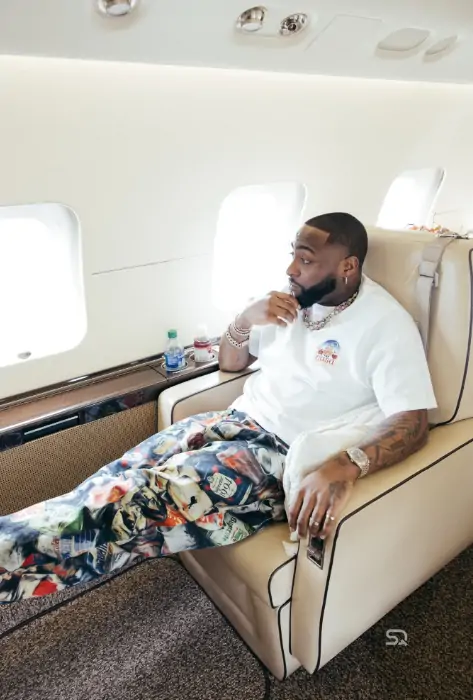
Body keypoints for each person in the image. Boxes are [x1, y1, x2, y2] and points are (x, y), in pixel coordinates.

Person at [0, 213, 437, 602]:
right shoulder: (292, 303)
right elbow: (231, 362)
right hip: (234, 420)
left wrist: (345, 465)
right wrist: (246, 318)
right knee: (117, 475)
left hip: (277, 454)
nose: (291, 269)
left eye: (305, 260)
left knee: (132, 500)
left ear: (347, 266)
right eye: (292, 255)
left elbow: (414, 421)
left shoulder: (386, 325)